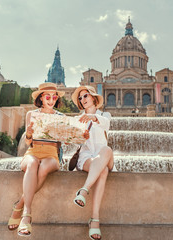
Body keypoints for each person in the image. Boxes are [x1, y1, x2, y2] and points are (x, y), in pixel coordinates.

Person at [7, 82, 65, 237]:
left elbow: (64, 141)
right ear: (41, 97)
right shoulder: (31, 114)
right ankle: (27, 213)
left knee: (44, 167)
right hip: (33, 151)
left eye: (54, 97)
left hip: (51, 153)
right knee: (32, 164)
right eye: (48, 97)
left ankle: (19, 204)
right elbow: (27, 142)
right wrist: (29, 133)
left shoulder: (62, 117)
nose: (51, 100)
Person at [71, 85, 114, 240]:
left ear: (94, 98)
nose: (82, 100)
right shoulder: (77, 120)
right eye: (80, 98)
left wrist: (92, 118)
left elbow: (105, 123)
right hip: (87, 157)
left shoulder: (105, 115)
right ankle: (94, 220)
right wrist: (81, 136)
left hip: (103, 155)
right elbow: (73, 141)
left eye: (85, 96)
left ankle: (84, 190)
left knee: (107, 150)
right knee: (102, 171)